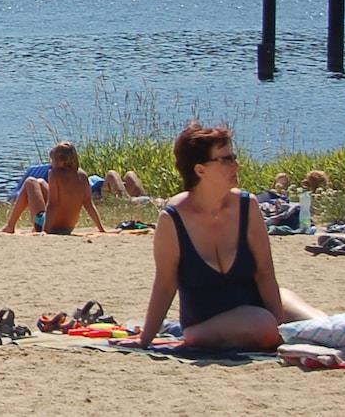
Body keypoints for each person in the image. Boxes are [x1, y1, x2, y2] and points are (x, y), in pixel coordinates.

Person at [133, 121, 322, 350]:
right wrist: (145, 339)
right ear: (200, 170)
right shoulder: (173, 219)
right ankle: (261, 331)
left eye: (234, 157)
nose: (237, 165)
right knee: (263, 324)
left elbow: (264, 272)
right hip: (208, 322)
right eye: (226, 159)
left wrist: (279, 324)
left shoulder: (247, 206)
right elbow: (165, 285)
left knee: (324, 325)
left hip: (256, 307)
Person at [3, 141, 105, 235]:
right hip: (69, 228)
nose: (51, 164)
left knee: (30, 182)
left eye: (53, 160)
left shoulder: (54, 174)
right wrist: (101, 229)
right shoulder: (82, 175)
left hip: (50, 227)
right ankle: (13, 226)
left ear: (60, 161)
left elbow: (53, 204)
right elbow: (88, 204)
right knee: (41, 182)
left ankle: (10, 226)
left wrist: (45, 230)